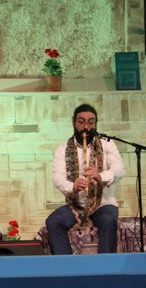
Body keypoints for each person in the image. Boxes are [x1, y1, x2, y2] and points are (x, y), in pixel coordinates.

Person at [45, 103, 124, 254]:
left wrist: (100, 176)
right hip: (76, 205)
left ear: (96, 124)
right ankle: (66, 265)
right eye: (81, 122)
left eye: (91, 122)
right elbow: (57, 177)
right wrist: (72, 187)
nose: (86, 127)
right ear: (73, 123)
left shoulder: (107, 144)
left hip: (103, 204)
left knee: (108, 221)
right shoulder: (63, 149)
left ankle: (106, 265)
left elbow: (119, 169)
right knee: (53, 221)